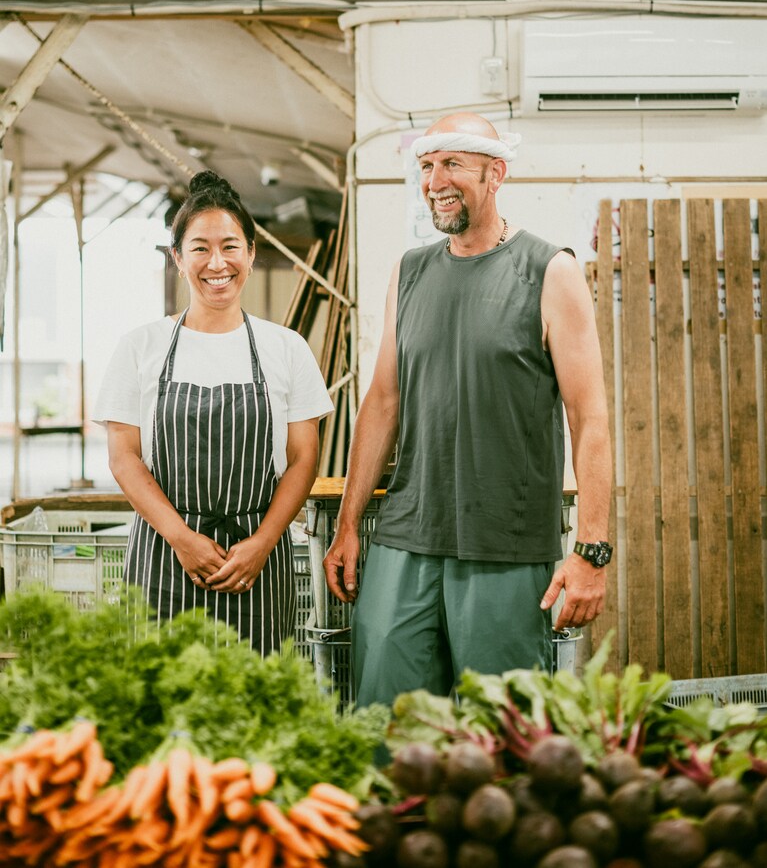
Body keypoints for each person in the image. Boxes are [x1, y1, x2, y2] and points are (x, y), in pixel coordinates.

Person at [323, 113, 612, 705]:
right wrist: (349, 523)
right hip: (407, 536)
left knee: (498, 734)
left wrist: (592, 550)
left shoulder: (549, 270)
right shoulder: (409, 272)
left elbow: (590, 420)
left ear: (496, 172)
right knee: (387, 723)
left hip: (505, 544)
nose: (435, 180)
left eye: (453, 163)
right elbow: (383, 402)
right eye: (427, 166)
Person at [94, 170, 333, 653]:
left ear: (250, 253)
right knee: (161, 704)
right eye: (200, 248)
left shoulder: (286, 348)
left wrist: (262, 544)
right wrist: (182, 539)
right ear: (178, 258)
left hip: (256, 561)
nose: (216, 262)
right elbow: (124, 457)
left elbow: (304, 458)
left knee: (256, 704)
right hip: (164, 557)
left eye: (230, 246)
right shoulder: (141, 347)